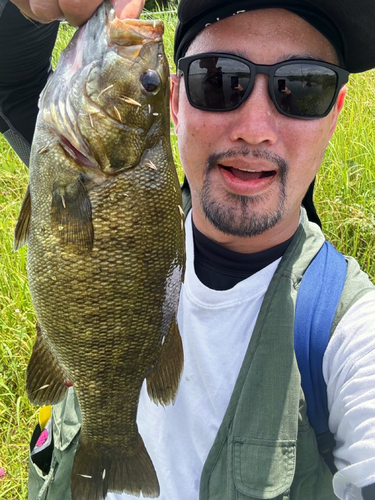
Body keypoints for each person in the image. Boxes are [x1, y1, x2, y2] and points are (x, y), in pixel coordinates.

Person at [8, 0, 375, 499]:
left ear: (335, 113)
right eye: (219, 80)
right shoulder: (80, 161)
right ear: (176, 102)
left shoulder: (349, 334)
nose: (254, 127)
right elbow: (9, 72)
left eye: (302, 88)